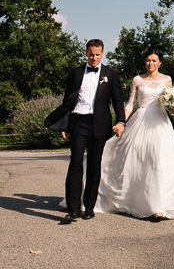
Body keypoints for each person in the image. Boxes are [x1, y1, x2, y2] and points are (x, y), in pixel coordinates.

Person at [96, 49, 174, 220]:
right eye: (148, 60)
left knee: (160, 160)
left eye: (154, 60)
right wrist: (121, 122)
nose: (150, 64)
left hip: (160, 124)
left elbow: (169, 105)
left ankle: (160, 206)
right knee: (139, 160)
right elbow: (130, 104)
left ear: (160, 63)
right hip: (140, 121)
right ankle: (141, 201)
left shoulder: (167, 79)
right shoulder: (138, 80)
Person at [44, 38, 126, 222]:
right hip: (77, 122)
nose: (94, 58)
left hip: (100, 124)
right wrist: (63, 125)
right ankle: (74, 208)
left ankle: (89, 207)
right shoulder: (75, 73)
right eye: (90, 54)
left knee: (94, 165)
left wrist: (121, 121)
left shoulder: (111, 74)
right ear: (86, 53)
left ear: (102, 53)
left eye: (97, 55)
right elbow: (67, 101)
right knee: (75, 163)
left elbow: (118, 101)